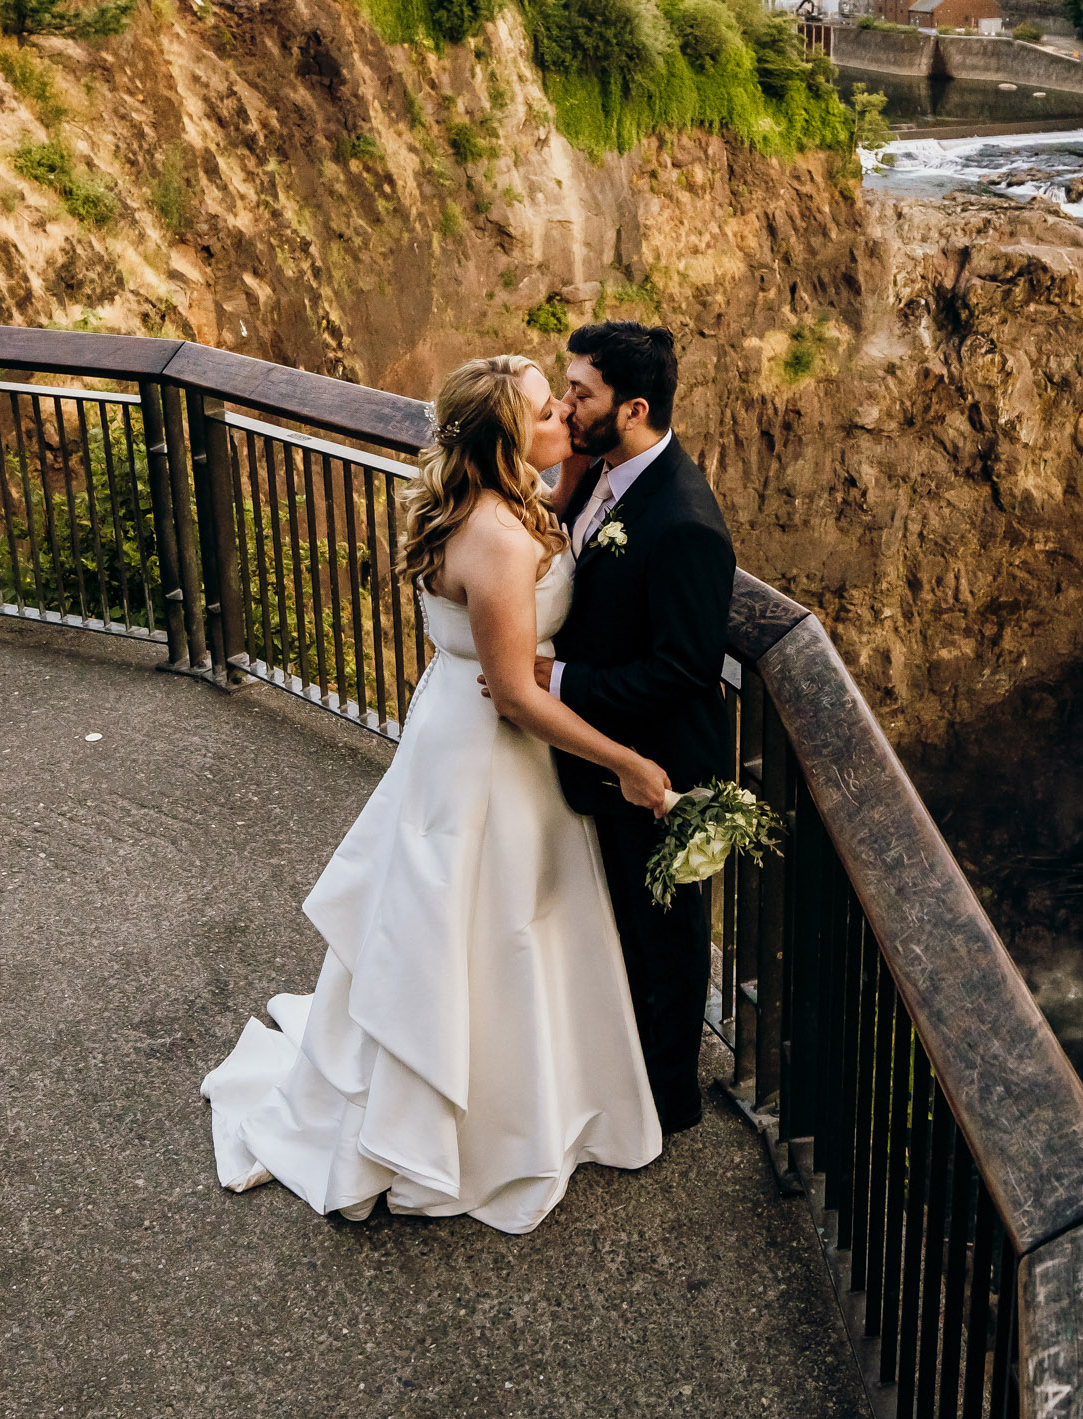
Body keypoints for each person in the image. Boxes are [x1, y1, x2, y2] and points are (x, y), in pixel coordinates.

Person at [200, 354, 672, 1235]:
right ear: (505, 442)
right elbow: (520, 695)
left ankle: (515, 1100)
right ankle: (469, 1131)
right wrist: (628, 764)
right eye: (546, 412)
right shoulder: (495, 537)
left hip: (458, 724)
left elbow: (555, 495)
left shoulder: (498, 499)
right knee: (480, 925)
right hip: (488, 752)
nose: (566, 418)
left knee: (494, 926)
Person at [535, 321, 736, 1135]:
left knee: (668, 941)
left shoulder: (685, 521)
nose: (565, 402)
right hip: (603, 757)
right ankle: (623, 1075)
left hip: (659, 767)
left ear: (634, 407)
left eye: (581, 392)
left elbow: (685, 668)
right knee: (619, 924)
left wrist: (564, 680)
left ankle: (670, 1103)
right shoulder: (598, 474)